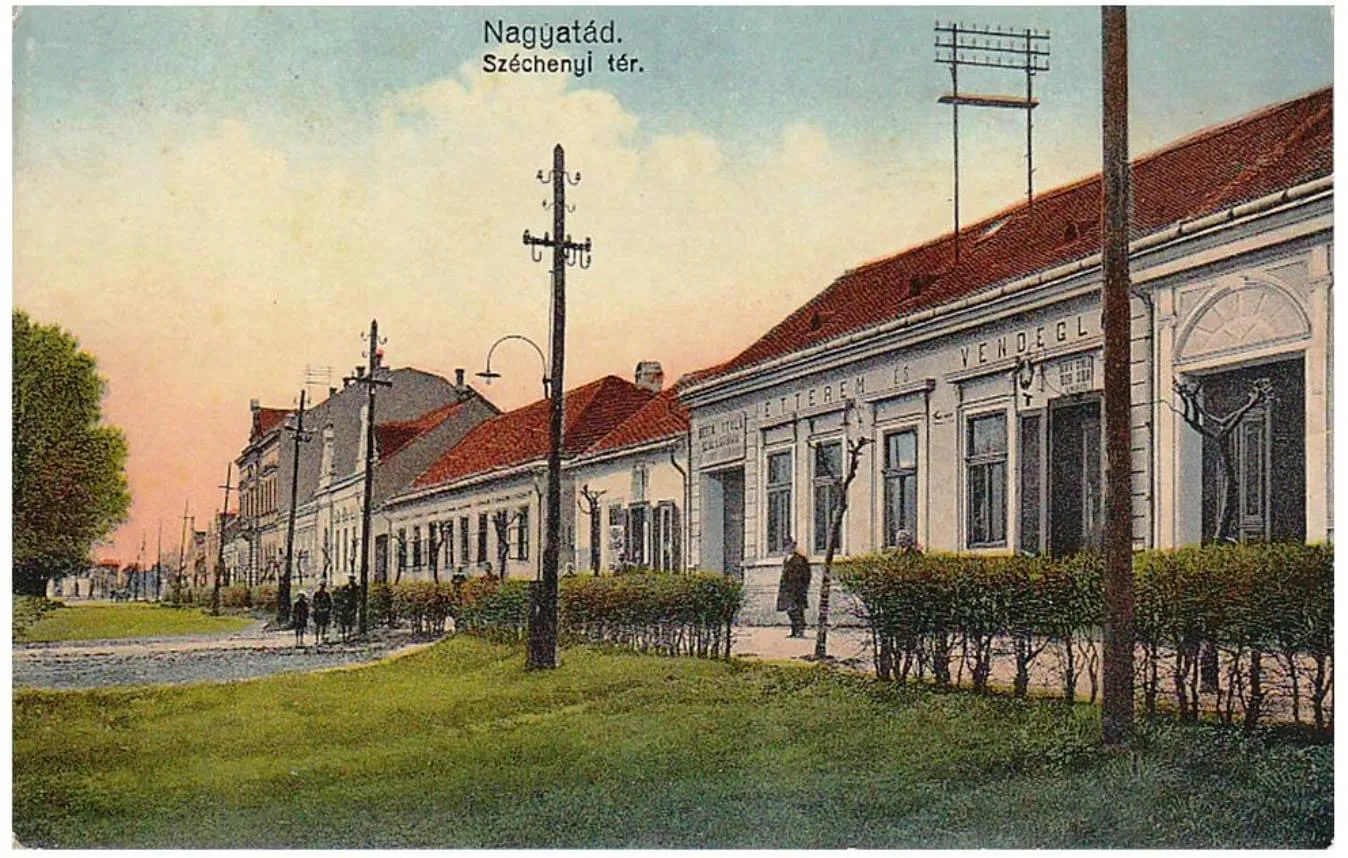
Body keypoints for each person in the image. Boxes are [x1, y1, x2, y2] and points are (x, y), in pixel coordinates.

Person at [776, 537, 812, 638]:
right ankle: (794, 630)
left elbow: (807, 575)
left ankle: (800, 631)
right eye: (787, 547)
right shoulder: (786, 559)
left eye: (791, 546)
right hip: (787, 589)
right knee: (789, 610)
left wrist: (804, 588)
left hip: (797, 589)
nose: (789, 548)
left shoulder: (801, 559)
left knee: (797, 610)